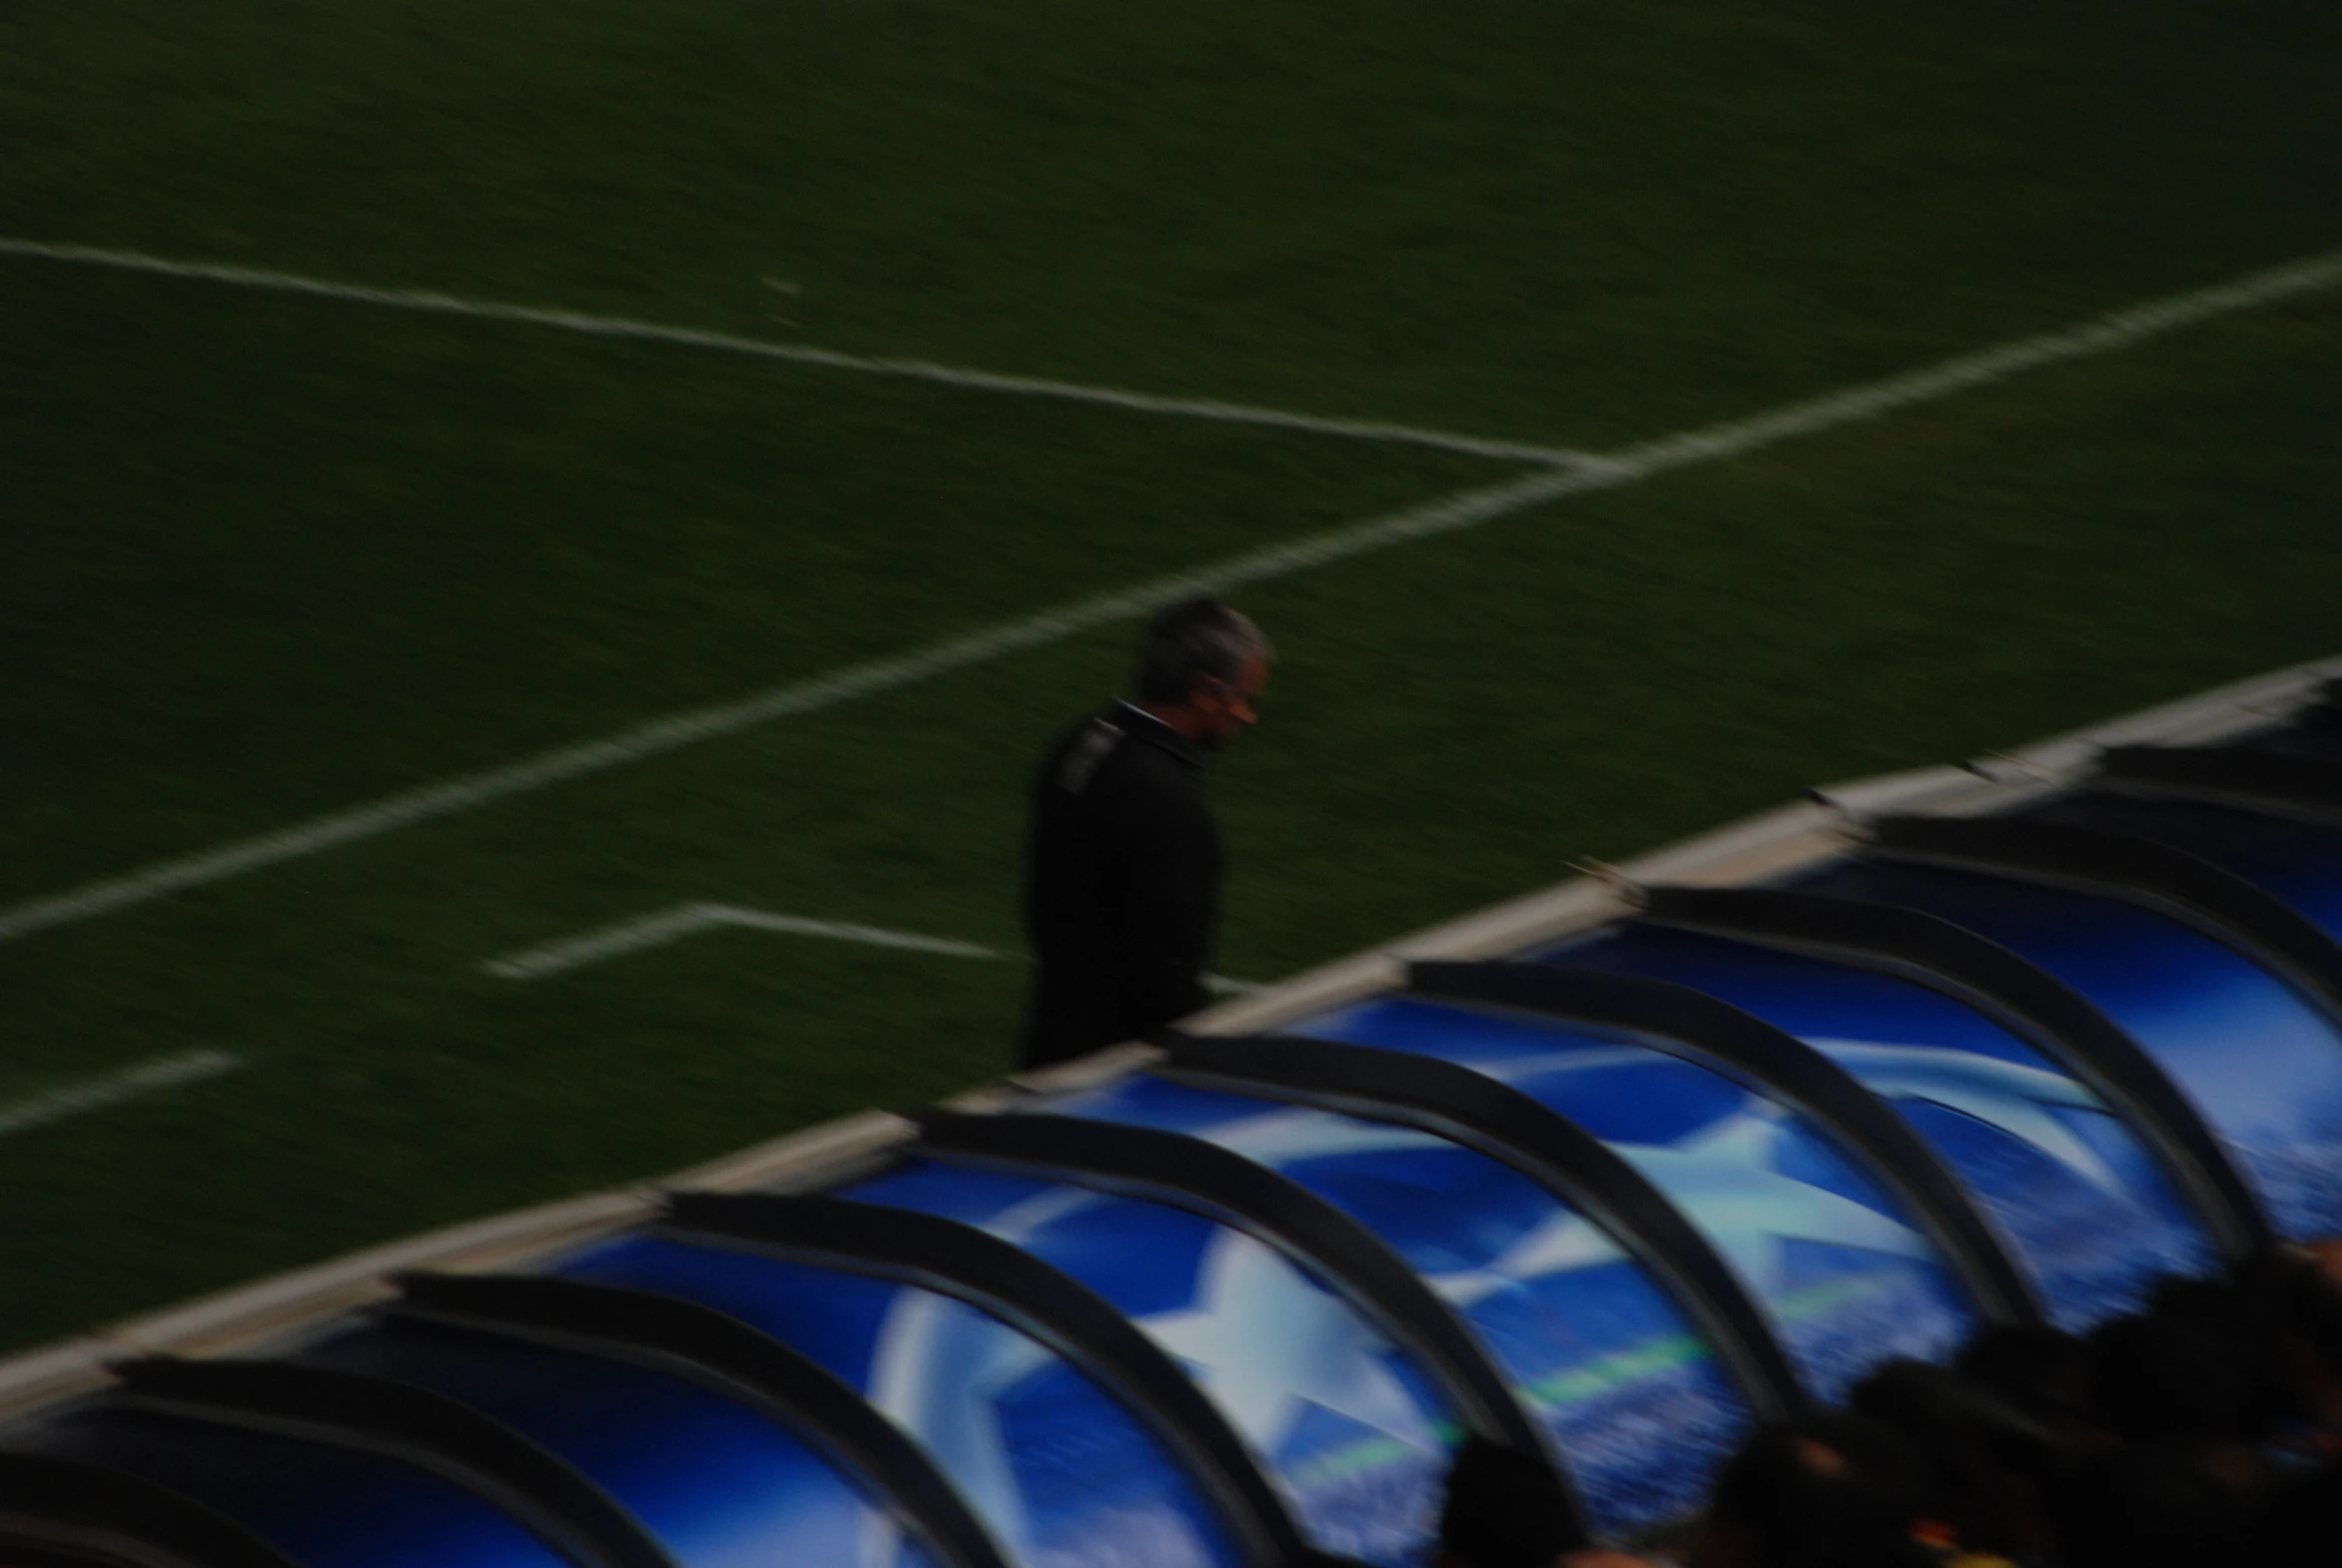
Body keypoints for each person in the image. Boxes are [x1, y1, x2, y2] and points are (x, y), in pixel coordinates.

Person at [1019, 597, 1272, 1070]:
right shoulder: (1168, 802)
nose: (1246, 717)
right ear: (1202, 691)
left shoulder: (1078, 744)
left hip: (1052, 1031)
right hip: (1116, 1067)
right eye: (1243, 700)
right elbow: (1168, 974)